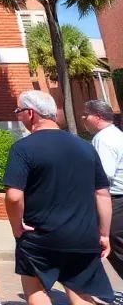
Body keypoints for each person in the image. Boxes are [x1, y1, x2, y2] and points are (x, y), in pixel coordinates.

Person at [4, 89, 113, 305]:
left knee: (36, 290)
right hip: (83, 235)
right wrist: (104, 234)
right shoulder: (86, 147)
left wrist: (17, 226)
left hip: (40, 236)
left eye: (18, 111)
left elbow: (14, 197)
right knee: (81, 293)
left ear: (30, 113)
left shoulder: (23, 148)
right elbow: (102, 194)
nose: (18, 117)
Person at [83, 98, 123, 286]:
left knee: (113, 247)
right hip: (117, 198)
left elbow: (103, 176)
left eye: (86, 115)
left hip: (114, 200)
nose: (84, 118)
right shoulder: (115, 134)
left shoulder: (103, 139)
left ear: (97, 117)